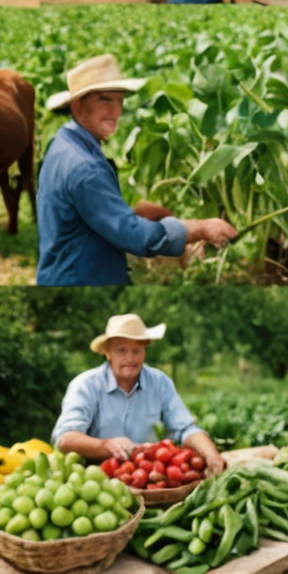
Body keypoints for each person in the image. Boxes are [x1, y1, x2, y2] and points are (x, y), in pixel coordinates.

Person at [35, 55, 236, 285]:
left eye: (120, 101)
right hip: (82, 276)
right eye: (105, 100)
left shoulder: (63, 142)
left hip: (63, 270)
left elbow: (89, 213)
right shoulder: (84, 167)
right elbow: (136, 237)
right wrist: (201, 228)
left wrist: (131, 212)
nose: (117, 112)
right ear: (78, 104)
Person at [52, 312, 226, 475]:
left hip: (150, 477)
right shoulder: (86, 385)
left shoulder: (159, 382)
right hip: (97, 479)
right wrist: (107, 446)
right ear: (108, 353)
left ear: (145, 351)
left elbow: (186, 428)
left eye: (137, 350)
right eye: (122, 350)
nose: (131, 359)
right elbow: (65, 439)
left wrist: (212, 456)